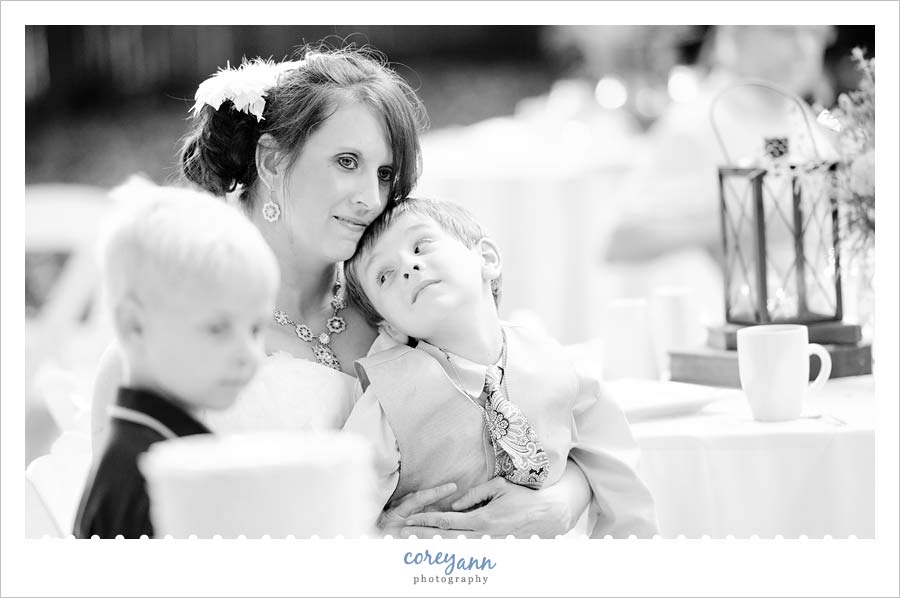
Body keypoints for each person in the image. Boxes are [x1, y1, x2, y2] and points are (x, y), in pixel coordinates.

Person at [91, 44, 597, 538]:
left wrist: (562, 500)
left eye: (384, 173)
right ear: (271, 161)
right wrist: (363, 545)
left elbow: (535, 397)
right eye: (347, 162)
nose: (371, 199)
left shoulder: (398, 302)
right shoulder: (170, 339)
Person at [342, 197, 658, 538]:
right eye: (385, 276)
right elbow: (338, 508)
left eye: (420, 246)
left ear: (487, 258)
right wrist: (383, 539)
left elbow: (618, 473)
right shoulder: (387, 401)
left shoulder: (559, 364)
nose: (408, 267)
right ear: (389, 326)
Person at [74, 184, 280, 538]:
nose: (249, 354)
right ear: (134, 325)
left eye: (256, 329)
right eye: (218, 328)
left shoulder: (163, 446)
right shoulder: (153, 474)